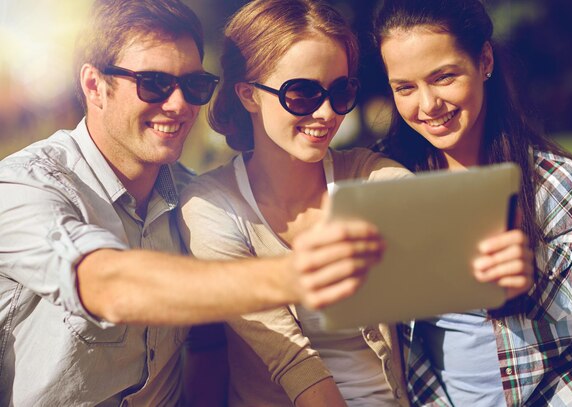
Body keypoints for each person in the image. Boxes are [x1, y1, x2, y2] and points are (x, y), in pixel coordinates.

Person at [0, 0, 389, 405]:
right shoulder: (25, 186)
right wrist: (295, 275)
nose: (179, 104)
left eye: (194, 86)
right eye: (153, 83)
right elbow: (106, 285)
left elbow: (210, 353)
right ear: (95, 86)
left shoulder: (192, 200)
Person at [178, 0, 533, 406]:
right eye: (302, 94)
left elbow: (447, 249)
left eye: (340, 91)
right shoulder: (210, 204)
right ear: (248, 95)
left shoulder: (373, 176)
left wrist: (489, 261)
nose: (328, 113)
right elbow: (289, 359)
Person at [372, 0, 572, 405]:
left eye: (443, 77)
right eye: (405, 87)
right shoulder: (381, 189)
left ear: (484, 59)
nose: (427, 105)